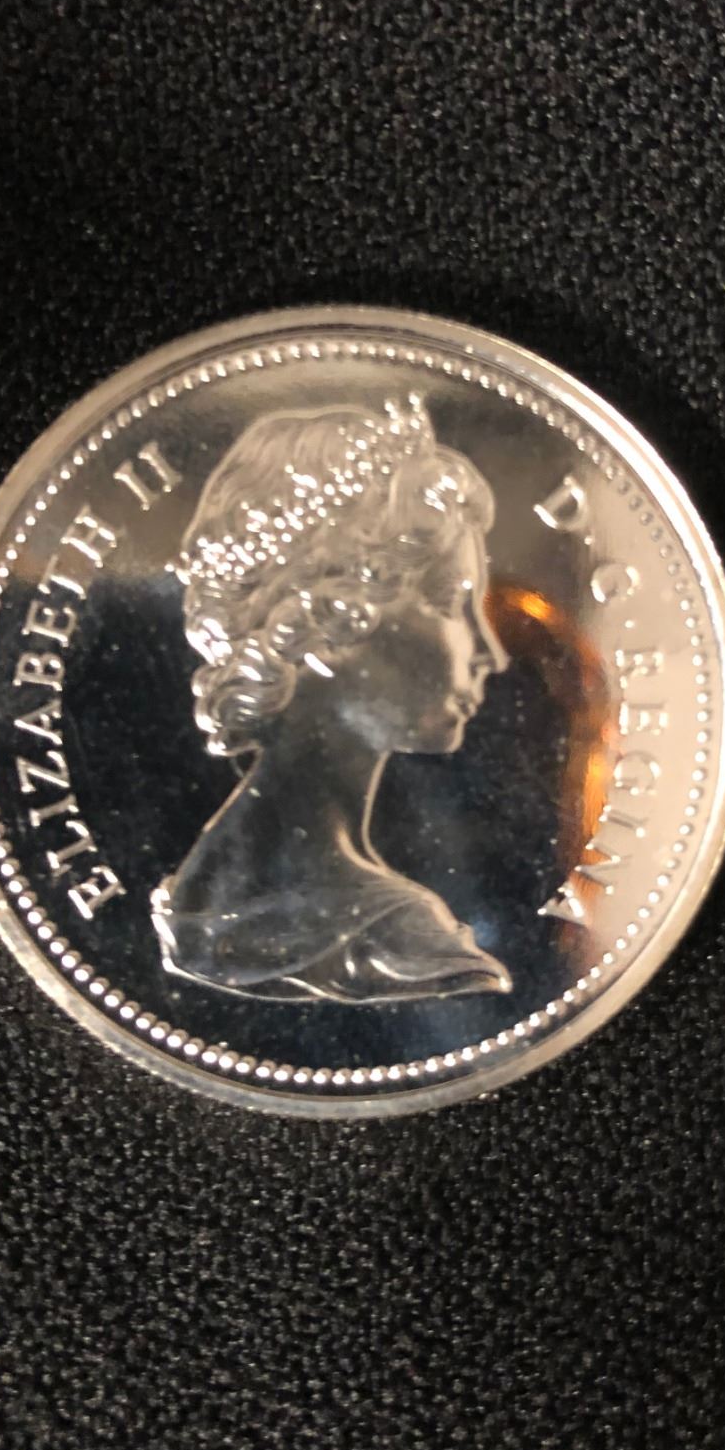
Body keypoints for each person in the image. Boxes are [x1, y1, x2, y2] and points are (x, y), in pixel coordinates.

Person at [151, 392, 512, 1003]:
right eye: (452, 602)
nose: (490, 654)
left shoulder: (195, 895)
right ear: (336, 621)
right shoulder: (400, 941)